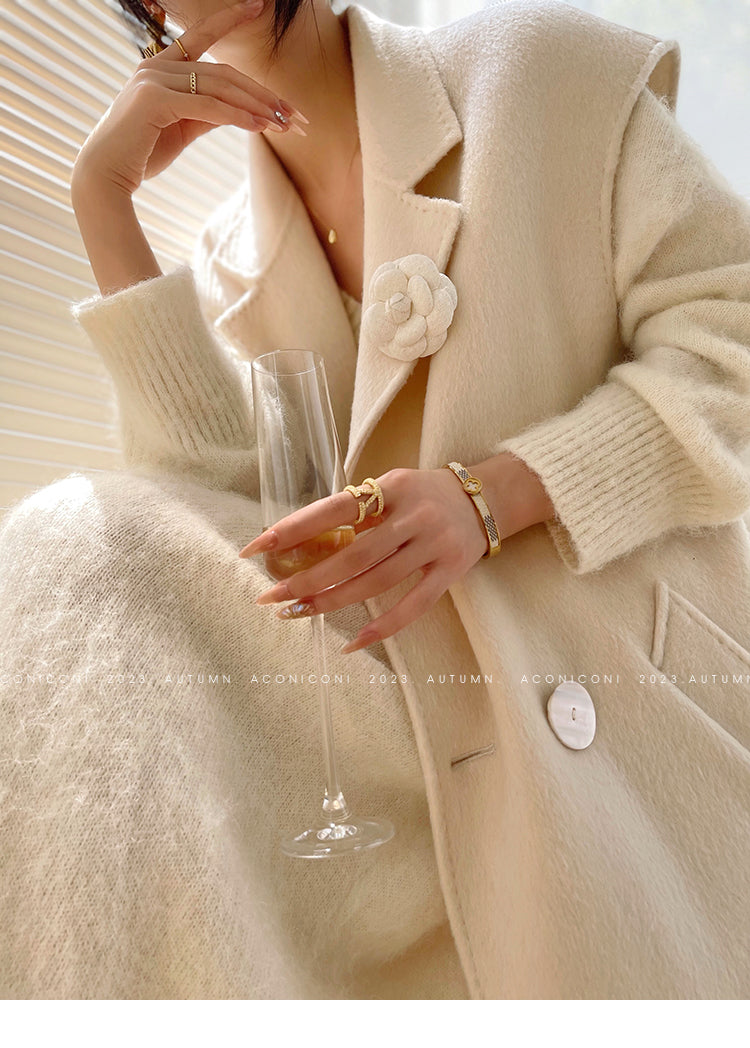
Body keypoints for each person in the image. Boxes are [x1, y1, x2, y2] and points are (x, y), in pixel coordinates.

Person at [1, 0, 750, 1000]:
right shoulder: (228, 263)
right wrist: (102, 202)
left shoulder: (537, 77)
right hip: (415, 764)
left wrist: (494, 494)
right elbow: (224, 539)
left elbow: (732, 343)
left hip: (629, 732)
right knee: (74, 553)